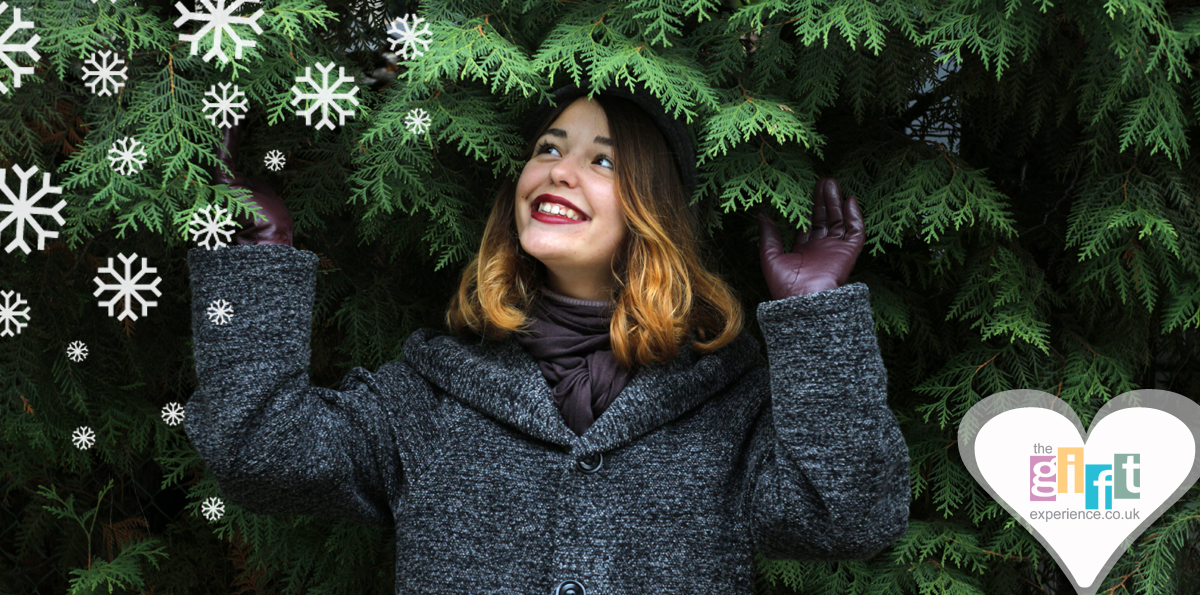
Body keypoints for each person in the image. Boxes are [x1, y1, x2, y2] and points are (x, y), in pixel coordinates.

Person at [184, 77, 911, 595]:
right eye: (548, 148)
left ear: (650, 209)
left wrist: (818, 319)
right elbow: (259, 453)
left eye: (602, 160)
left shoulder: (726, 403)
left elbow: (850, 518)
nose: (559, 170)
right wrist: (257, 263)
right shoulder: (429, 397)